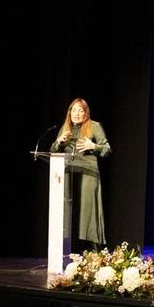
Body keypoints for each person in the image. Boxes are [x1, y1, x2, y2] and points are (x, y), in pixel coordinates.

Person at [53, 97, 112, 250]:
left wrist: (94, 146)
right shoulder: (66, 128)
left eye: (81, 110)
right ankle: (67, 250)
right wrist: (59, 142)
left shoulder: (94, 126)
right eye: (74, 110)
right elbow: (53, 151)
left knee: (87, 213)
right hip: (67, 175)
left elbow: (107, 150)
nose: (77, 114)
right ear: (69, 112)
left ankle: (91, 252)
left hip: (88, 175)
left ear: (86, 113)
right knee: (67, 213)